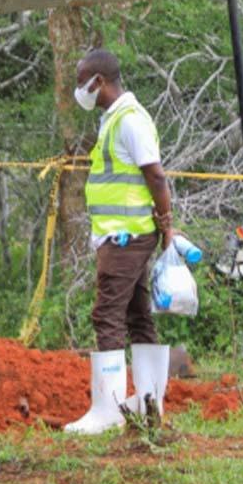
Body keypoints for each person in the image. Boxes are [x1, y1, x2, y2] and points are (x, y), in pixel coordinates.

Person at [66, 48, 174, 434]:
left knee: (107, 314)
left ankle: (107, 410)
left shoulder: (129, 121)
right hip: (121, 234)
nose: (79, 89)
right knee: (137, 314)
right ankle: (149, 402)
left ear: (100, 82)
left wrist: (168, 226)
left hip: (126, 236)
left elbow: (156, 177)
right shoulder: (115, 119)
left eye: (82, 82)